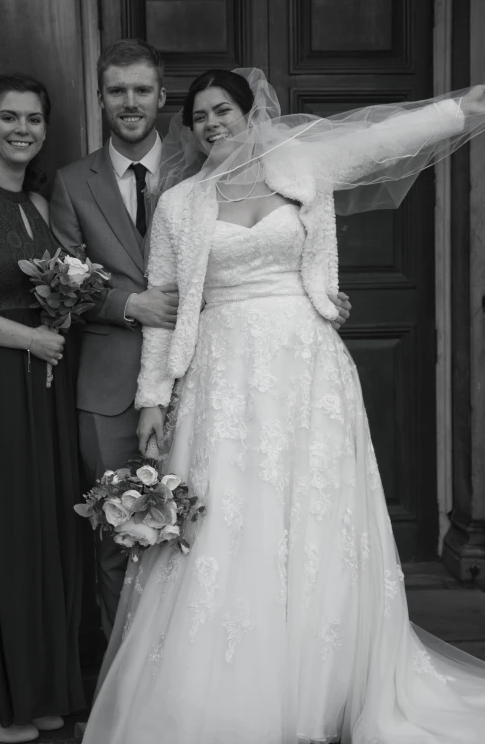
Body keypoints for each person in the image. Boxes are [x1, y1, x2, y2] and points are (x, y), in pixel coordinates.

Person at [82, 69, 485, 744]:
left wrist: (463, 108)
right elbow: (163, 305)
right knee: (230, 519)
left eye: (224, 111)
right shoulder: (182, 204)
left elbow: (383, 140)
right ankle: (227, 689)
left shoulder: (300, 165)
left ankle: (323, 677)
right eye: (200, 116)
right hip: (222, 373)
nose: (213, 124)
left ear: (251, 114)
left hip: (308, 367)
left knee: (316, 514)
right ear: (189, 128)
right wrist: (151, 398)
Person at [49, 38, 355, 640]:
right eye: (117, 91)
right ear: (102, 99)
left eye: (143, 90)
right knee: (124, 537)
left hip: (244, 369)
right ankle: (133, 679)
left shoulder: (246, 176)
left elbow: (314, 259)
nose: (130, 101)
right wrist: (128, 307)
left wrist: (323, 300)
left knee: (241, 524)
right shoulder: (75, 182)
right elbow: (63, 277)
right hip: (123, 378)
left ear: (162, 100)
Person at [0, 75, 84, 743]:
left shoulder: (41, 200)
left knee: (43, 532)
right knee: (2, 529)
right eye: (9, 117)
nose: (21, 129)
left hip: (46, 388)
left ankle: (39, 689)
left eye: (33, 119)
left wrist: (65, 308)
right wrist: (28, 336)